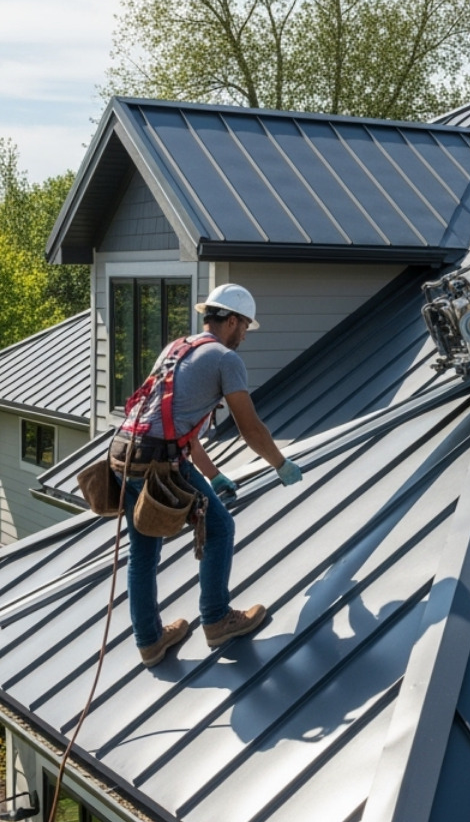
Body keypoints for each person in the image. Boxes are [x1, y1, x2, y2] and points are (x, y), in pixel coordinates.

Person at [114, 283, 305, 667]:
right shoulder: (224, 359)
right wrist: (280, 464)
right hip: (159, 464)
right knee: (220, 529)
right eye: (244, 327)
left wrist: (213, 476)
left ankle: (149, 642)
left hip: (125, 455)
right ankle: (217, 620)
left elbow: (173, 427)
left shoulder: (176, 349)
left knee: (143, 553)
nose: (244, 335)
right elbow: (250, 427)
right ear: (231, 320)